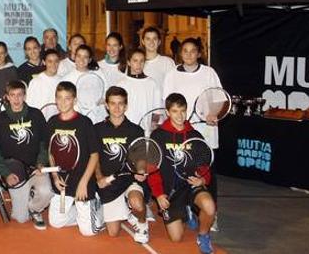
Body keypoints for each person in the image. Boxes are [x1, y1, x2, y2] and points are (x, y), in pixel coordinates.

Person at [147, 93, 217, 253]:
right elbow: (152, 168)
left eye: (183, 111)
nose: (180, 115)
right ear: (167, 112)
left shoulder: (195, 136)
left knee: (210, 207)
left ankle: (204, 235)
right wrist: (158, 195)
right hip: (170, 192)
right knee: (176, 238)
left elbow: (204, 165)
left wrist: (202, 180)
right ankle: (187, 212)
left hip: (191, 187)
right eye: (175, 111)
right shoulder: (157, 136)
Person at [0, 80, 52, 228]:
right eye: (13, 95)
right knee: (20, 218)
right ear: (7, 97)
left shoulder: (36, 115)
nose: (16, 99)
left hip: (35, 168)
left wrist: (41, 163)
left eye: (20, 95)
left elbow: (44, 144)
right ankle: (25, 200)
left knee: (46, 192)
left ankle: (34, 208)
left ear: (24, 96)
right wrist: (6, 173)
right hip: (14, 171)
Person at [46, 81, 102, 236]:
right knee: (56, 222)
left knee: (88, 232)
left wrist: (84, 183)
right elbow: (50, 153)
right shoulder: (52, 122)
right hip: (63, 184)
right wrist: (55, 176)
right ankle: (81, 213)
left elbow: (94, 155)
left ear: (74, 100)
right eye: (59, 98)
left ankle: (98, 208)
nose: (63, 102)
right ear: (55, 99)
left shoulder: (84, 123)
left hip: (82, 183)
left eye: (67, 98)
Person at [94, 87, 149, 244]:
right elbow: (95, 157)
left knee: (137, 203)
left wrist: (140, 169)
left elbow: (140, 157)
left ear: (126, 106)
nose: (116, 108)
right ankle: (127, 212)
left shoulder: (136, 130)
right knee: (113, 232)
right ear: (106, 105)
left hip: (130, 179)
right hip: (109, 182)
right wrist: (99, 177)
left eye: (120, 104)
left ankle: (143, 223)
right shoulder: (97, 129)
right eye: (113, 103)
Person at [163, 38, 223, 151]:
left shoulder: (209, 72)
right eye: (185, 51)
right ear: (181, 53)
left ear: (199, 54)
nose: (189, 54)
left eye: (193, 51)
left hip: (205, 128)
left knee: (204, 165)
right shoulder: (171, 74)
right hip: (180, 129)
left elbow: (219, 99)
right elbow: (167, 102)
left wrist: (213, 114)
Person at [116, 49, 163, 129]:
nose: (139, 64)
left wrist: (153, 126)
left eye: (142, 61)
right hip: (125, 129)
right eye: (135, 61)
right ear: (129, 62)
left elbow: (157, 111)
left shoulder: (152, 83)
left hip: (145, 131)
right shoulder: (121, 84)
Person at [61, 44, 108, 115]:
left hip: (97, 117)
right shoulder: (66, 79)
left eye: (85, 57)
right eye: (79, 56)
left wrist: (103, 100)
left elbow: (107, 93)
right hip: (77, 119)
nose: (81, 60)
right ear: (74, 57)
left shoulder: (98, 74)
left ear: (89, 60)